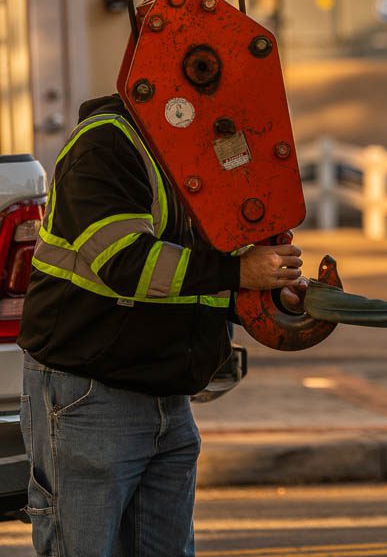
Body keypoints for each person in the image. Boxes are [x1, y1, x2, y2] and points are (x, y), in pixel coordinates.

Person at [18, 92, 305, 557]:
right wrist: (238, 274)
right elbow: (126, 262)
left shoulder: (196, 151)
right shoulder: (107, 144)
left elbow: (200, 269)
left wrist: (265, 293)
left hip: (168, 402)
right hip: (91, 401)